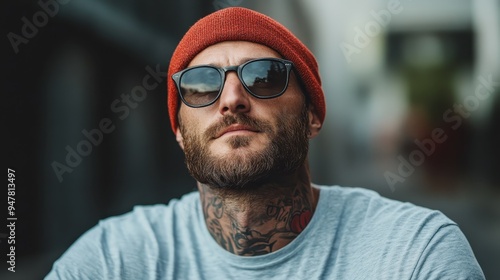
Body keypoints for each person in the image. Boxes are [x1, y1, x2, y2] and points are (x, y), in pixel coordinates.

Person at [46, 7, 485, 279]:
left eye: (264, 77)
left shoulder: (414, 254)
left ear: (313, 115)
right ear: (178, 131)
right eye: (201, 85)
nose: (232, 99)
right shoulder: (113, 259)